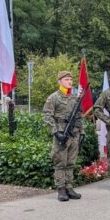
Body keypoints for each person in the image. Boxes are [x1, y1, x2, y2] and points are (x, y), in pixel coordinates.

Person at [42, 71, 85, 202]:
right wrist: (56, 132)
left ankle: (69, 187)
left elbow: (79, 117)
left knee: (71, 162)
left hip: (74, 134)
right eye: (66, 79)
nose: (70, 82)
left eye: (71, 80)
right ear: (59, 81)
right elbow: (46, 116)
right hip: (61, 133)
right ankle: (61, 188)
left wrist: (82, 132)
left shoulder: (74, 98)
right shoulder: (53, 97)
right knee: (60, 162)